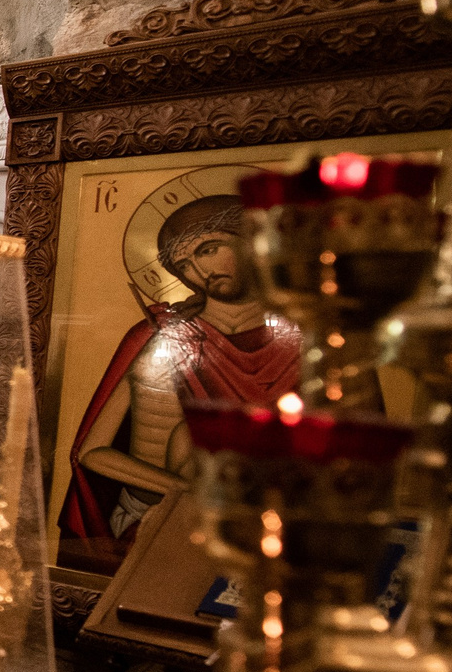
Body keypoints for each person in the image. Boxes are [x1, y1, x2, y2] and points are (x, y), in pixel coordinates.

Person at [59, 193, 305, 570]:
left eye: (208, 249)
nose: (199, 271)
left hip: (258, 531)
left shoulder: (308, 341)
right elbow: (90, 451)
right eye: (183, 265)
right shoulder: (156, 335)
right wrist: (189, 492)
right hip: (146, 521)